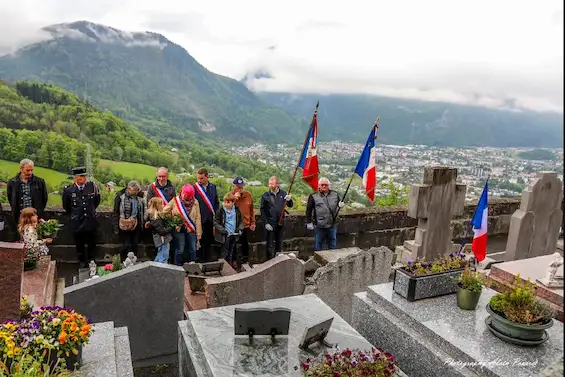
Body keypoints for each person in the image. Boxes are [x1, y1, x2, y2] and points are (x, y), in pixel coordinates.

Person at [62, 166, 101, 267]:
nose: (84, 179)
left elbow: (96, 201)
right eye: (81, 177)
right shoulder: (69, 190)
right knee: (79, 243)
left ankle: (92, 260)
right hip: (77, 221)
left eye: (84, 177)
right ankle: (82, 260)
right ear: (76, 178)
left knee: (92, 242)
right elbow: (66, 206)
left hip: (90, 219)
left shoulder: (92, 187)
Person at [163, 184, 202, 265]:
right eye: (184, 194)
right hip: (179, 228)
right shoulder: (175, 201)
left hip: (191, 228)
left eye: (187, 196)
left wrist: (199, 232)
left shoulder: (195, 202)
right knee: (180, 249)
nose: (185, 197)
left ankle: (193, 266)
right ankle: (177, 267)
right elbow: (164, 212)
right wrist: (173, 219)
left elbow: (198, 217)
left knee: (193, 248)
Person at [7, 159, 48, 233]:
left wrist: (38, 213)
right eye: (28, 170)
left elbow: (44, 199)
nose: (30, 173)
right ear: (21, 169)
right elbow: (10, 198)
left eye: (32, 170)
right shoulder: (12, 182)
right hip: (20, 217)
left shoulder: (40, 182)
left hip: (35, 217)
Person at [306, 177, 345, 251]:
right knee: (318, 245)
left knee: (332, 244)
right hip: (319, 225)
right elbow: (309, 210)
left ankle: (332, 261)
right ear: (319, 186)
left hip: (332, 224)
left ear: (328, 186)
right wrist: (309, 222)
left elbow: (339, 204)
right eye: (322, 185)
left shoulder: (335, 194)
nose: (324, 186)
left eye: (326, 185)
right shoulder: (313, 196)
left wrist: (341, 205)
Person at [260, 176, 293, 260]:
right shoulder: (265, 195)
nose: (270, 185)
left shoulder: (283, 193)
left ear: (277, 184)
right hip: (270, 222)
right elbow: (262, 210)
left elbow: (290, 205)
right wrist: (266, 223)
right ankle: (269, 261)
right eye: (269, 183)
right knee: (269, 244)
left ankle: (278, 261)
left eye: (272, 183)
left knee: (279, 243)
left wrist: (289, 200)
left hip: (281, 222)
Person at [114, 180, 145, 259]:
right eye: (134, 190)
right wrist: (115, 228)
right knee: (127, 245)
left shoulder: (139, 196)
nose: (135, 192)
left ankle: (133, 262)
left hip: (136, 224)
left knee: (135, 244)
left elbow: (142, 211)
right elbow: (116, 212)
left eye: (137, 190)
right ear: (129, 189)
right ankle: (122, 260)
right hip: (124, 224)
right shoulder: (120, 196)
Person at [194, 168, 219, 262]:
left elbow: (216, 202)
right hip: (199, 219)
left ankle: (207, 259)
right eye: (198, 178)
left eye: (202, 178)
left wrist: (215, 215)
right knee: (199, 240)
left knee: (209, 240)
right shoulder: (195, 188)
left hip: (210, 219)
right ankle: (199, 259)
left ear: (207, 177)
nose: (199, 180)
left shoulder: (213, 187)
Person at [213, 193, 243, 269]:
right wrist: (223, 230)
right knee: (225, 251)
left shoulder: (236, 209)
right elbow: (215, 222)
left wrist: (240, 228)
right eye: (225, 202)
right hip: (225, 234)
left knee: (233, 250)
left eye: (228, 202)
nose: (226, 204)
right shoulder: (221, 210)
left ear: (233, 202)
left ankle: (232, 262)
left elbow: (240, 221)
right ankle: (225, 266)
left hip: (234, 233)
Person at [231, 177, 255, 264]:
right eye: (238, 187)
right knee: (234, 245)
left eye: (241, 187)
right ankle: (234, 261)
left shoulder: (248, 195)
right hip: (234, 226)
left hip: (246, 224)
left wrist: (253, 222)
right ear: (234, 186)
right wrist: (234, 199)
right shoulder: (230, 196)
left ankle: (246, 261)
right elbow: (226, 209)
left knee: (245, 245)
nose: (240, 189)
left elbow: (252, 210)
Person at [145, 197, 173, 264]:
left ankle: (153, 269)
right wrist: (172, 227)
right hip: (162, 239)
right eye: (161, 204)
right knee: (163, 257)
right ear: (157, 206)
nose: (163, 206)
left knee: (160, 255)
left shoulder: (156, 216)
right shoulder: (155, 218)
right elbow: (162, 232)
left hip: (162, 239)